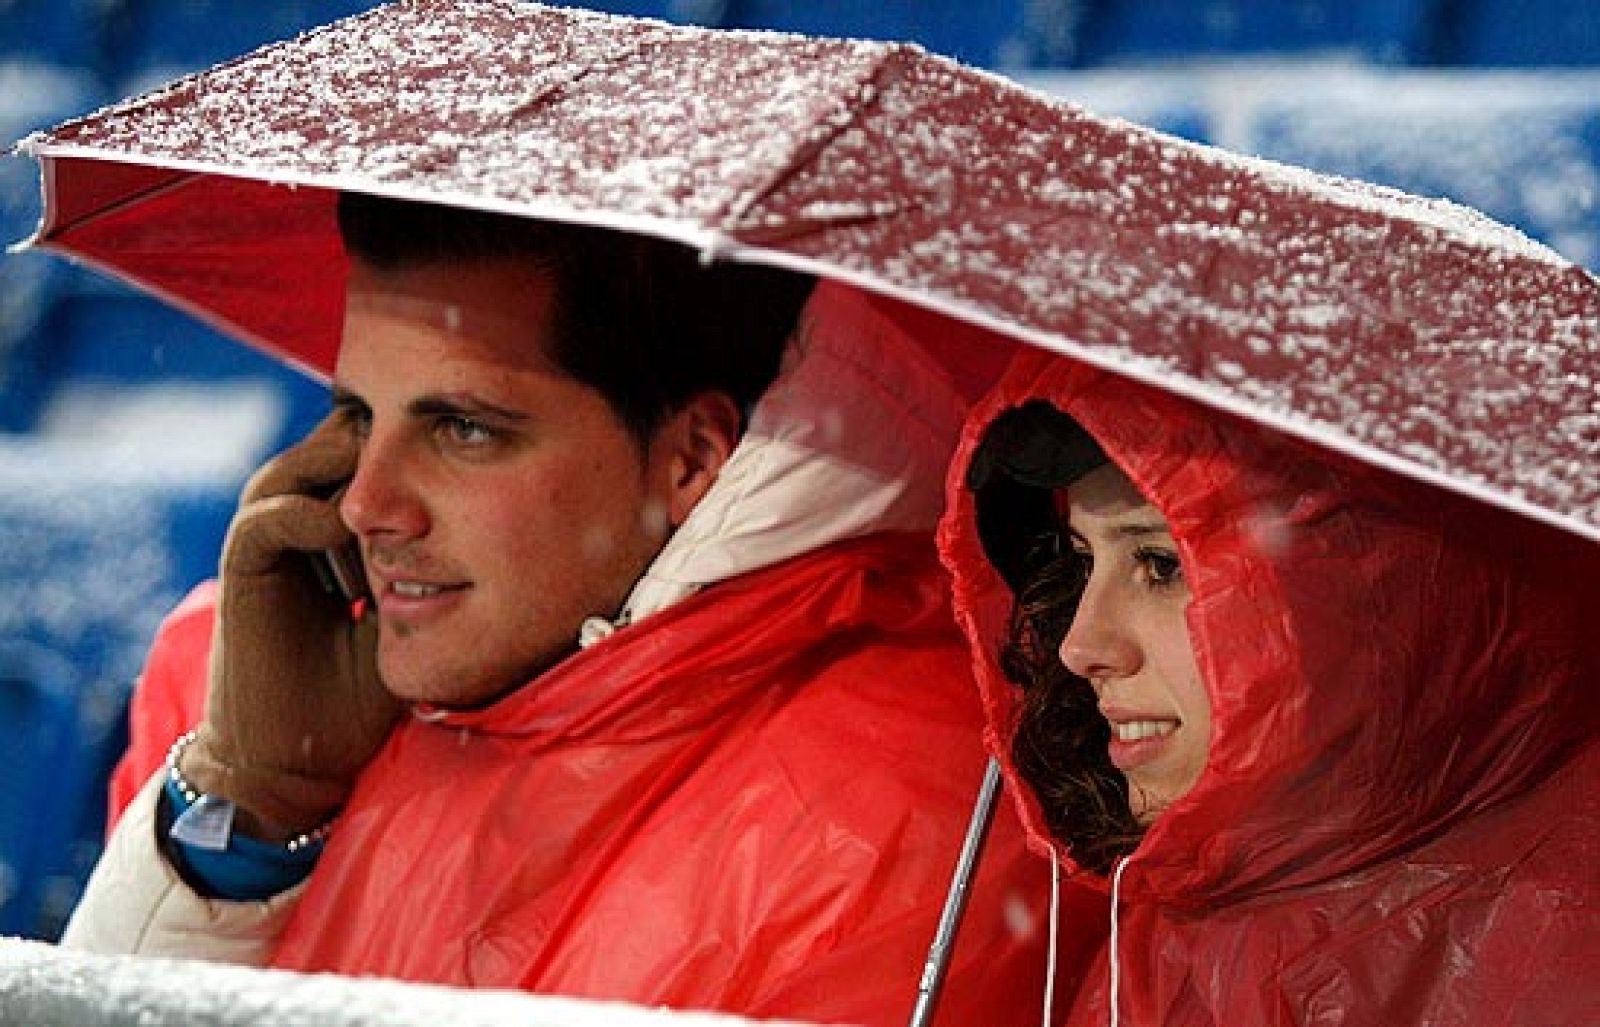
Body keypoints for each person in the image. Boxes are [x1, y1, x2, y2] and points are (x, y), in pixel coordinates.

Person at [60, 194, 1056, 1025]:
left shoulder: (907, 801)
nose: (365, 503)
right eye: (358, 415)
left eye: (461, 428)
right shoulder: (233, 671)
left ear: (691, 461)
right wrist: (249, 803)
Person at [940, 348, 1600, 1024]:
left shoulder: (1558, 958)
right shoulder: (1166, 909)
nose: (1080, 646)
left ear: (1362, 592)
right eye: (1082, 561)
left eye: (1161, 564)